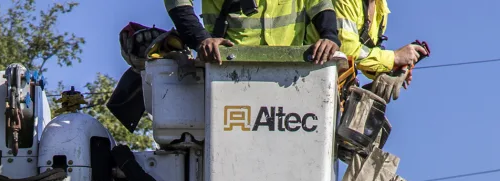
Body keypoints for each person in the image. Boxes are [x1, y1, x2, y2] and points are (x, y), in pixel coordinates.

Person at [163, 0, 340, 64]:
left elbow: (320, 4)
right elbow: (177, 2)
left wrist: (329, 36)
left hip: (289, 66)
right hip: (228, 65)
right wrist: (201, 39)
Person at [332, 0, 428, 82]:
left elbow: (365, 58)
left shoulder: (381, 8)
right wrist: (394, 57)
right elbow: (346, 50)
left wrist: (391, 69)